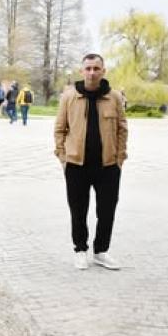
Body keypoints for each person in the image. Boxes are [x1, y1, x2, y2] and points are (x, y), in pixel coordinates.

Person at [54, 53, 128, 270]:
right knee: (78, 210)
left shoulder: (114, 97)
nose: (92, 72)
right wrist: (63, 157)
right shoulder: (69, 96)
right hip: (76, 165)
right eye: (88, 68)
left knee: (107, 210)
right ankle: (80, 249)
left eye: (97, 68)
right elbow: (60, 128)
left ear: (103, 71)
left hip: (108, 166)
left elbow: (122, 128)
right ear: (82, 71)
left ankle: (101, 251)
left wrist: (119, 158)